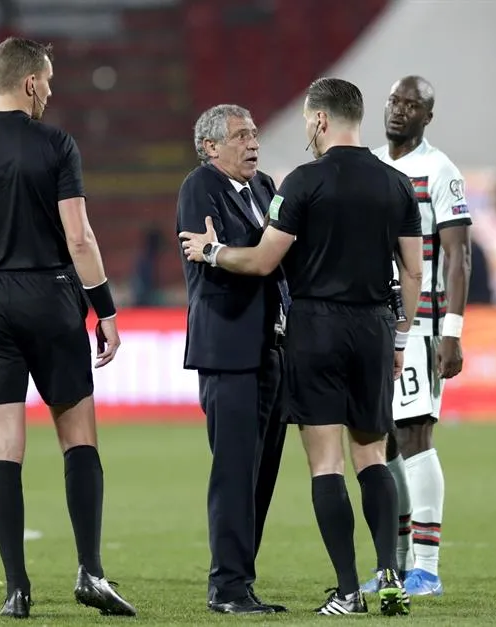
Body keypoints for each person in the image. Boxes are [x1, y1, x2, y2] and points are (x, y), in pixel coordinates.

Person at [180, 77, 423, 617]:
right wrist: (402, 335)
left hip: (315, 330)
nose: (255, 142)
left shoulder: (299, 181)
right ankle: (389, 573)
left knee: (326, 462)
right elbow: (412, 270)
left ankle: (347, 590)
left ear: (319, 119)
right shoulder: (398, 183)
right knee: (373, 454)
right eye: (242, 135)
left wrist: (213, 252)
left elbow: (265, 259)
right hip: (376, 327)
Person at [0, 36, 135, 619]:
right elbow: (80, 238)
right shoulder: (56, 144)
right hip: (50, 294)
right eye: (49, 82)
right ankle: (90, 572)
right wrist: (106, 310)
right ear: (32, 83)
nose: (51, 93)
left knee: (2, 448)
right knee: (79, 438)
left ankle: (16, 589)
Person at [362, 75, 472, 598]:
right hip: (374, 322)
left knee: (413, 435)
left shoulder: (439, 170)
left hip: (421, 323)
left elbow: (458, 256)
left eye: (411, 104)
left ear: (428, 116)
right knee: (382, 441)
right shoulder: (370, 166)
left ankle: (426, 568)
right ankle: (398, 565)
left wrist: (452, 331)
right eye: (393, 101)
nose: (399, 110)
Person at [176, 104, 289, 615]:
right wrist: (251, 251)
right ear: (210, 147)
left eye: (254, 133)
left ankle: (242, 580)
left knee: (261, 473)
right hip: (227, 348)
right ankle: (226, 586)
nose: (253, 143)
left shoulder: (264, 185)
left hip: (270, 346)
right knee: (235, 470)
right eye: (240, 136)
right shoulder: (199, 187)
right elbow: (227, 256)